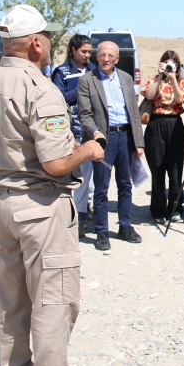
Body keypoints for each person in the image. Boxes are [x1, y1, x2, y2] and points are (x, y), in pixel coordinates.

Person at [0, 4, 103, 366]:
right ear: (37, 44)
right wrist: (89, 151)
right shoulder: (39, 87)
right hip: (38, 207)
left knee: (13, 305)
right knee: (53, 306)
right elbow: (57, 163)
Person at [77, 40, 145, 251]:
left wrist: (139, 143)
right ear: (97, 57)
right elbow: (85, 114)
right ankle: (101, 231)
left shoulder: (125, 78)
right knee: (101, 187)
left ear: (117, 59)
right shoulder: (87, 80)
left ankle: (125, 226)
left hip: (125, 137)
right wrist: (96, 133)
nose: (106, 59)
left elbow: (134, 113)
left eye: (110, 56)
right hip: (103, 140)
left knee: (125, 184)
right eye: (102, 55)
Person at [52, 34, 96, 237]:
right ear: (73, 50)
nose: (87, 55)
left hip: (92, 131)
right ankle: (76, 217)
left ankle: (87, 212)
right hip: (72, 133)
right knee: (77, 177)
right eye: (84, 51)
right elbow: (59, 98)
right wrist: (83, 87)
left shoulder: (93, 70)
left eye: (89, 52)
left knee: (91, 178)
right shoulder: (61, 72)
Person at [141, 51, 184, 224]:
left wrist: (173, 79)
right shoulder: (154, 80)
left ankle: (176, 208)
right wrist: (161, 75)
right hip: (155, 124)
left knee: (175, 170)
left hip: (174, 124)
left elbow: (179, 99)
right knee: (157, 168)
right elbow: (149, 95)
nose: (169, 67)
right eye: (166, 63)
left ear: (178, 66)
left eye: (173, 64)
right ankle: (158, 209)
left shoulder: (182, 82)